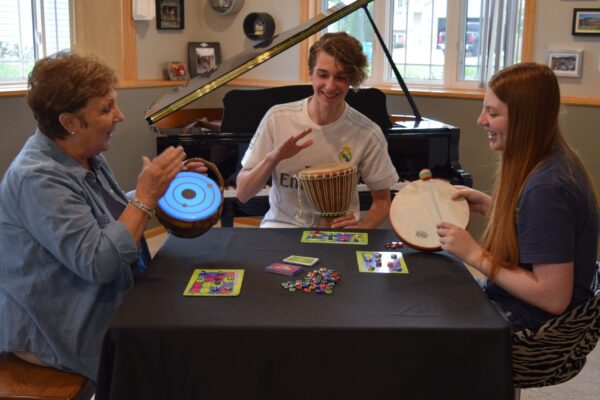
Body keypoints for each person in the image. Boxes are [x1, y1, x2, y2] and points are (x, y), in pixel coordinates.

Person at [0, 52, 204, 381]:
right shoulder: (37, 178)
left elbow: (101, 212)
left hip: (96, 301)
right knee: (180, 359)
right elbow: (100, 263)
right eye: (106, 108)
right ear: (69, 122)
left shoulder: (83, 153)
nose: (120, 116)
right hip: (57, 326)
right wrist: (144, 197)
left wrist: (158, 190)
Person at [437, 62, 598, 331]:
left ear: (526, 120)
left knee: (426, 322)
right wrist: (493, 206)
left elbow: (553, 297)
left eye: (493, 113)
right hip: (520, 306)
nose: (481, 120)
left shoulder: (547, 188)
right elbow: (543, 231)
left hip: (533, 328)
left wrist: (475, 255)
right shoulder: (553, 160)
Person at [236, 32, 399, 228]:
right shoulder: (276, 118)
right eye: (323, 75)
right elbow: (243, 193)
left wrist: (362, 228)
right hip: (280, 229)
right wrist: (274, 158)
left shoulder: (368, 133)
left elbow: (382, 201)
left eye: (340, 77)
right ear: (310, 73)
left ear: (352, 79)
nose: (330, 86)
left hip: (337, 235)